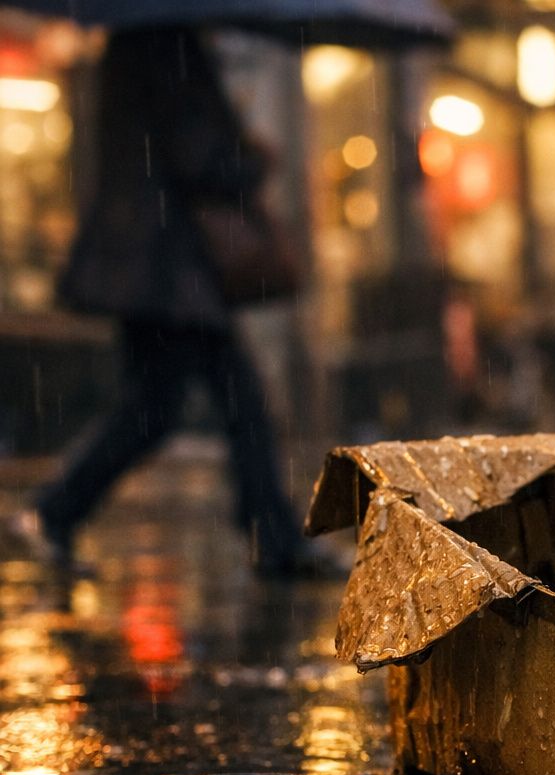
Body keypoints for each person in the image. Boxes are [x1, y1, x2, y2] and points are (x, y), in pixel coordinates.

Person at [17, 29, 329, 578]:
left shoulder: (137, 44)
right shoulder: (168, 46)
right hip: (169, 269)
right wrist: (250, 154)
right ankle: (55, 511)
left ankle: (269, 532)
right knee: (219, 402)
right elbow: (202, 156)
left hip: (157, 266)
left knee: (181, 405)